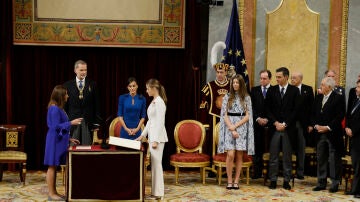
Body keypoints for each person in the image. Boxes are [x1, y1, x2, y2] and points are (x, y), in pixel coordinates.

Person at [44, 85, 81, 200]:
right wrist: (71, 123)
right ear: (60, 95)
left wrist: (69, 139)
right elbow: (55, 127)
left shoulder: (58, 108)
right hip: (53, 141)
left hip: (57, 139)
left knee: (54, 166)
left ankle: (54, 192)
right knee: (52, 166)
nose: (68, 96)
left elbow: (58, 127)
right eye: (66, 94)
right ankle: (51, 193)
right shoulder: (54, 108)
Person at [265, 67, 300, 190]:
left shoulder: (294, 91)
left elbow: (296, 111)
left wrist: (285, 124)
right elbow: (267, 109)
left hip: (287, 129)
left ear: (286, 77)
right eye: (276, 77)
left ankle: (286, 180)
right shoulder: (272, 90)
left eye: (279, 77)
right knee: (273, 156)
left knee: (287, 157)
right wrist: (275, 123)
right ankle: (273, 180)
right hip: (274, 128)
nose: (277, 79)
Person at [218, 74, 254, 190]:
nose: (235, 84)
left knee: (239, 155)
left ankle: (236, 181)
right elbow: (224, 114)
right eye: (233, 83)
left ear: (241, 84)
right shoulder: (227, 97)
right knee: (230, 154)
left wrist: (236, 127)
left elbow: (248, 115)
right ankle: (229, 180)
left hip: (241, 127)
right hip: (229, 128)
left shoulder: (246, 97)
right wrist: (231, 128)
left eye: (237, 82)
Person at [309, 77, 345, 193]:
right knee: (321, 158)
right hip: (319, 133)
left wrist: (327, 127)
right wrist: (316, 126)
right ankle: (321, 182)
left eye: (323, 85)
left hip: (332, 134)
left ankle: (334, 183)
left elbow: (339, 116)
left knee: (333, 159)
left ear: (329, 87)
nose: (320, 86)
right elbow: (313, 114)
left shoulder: (338, 98)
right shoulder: (318, 97)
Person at [135, 78, 168, 200]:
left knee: (157, 165)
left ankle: (159, 192)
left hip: (158, 138)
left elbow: (160, 122)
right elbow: (150, 122)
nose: (146, 90)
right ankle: (155, 191)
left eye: (148, 88)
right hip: (153, 136)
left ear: (154, 88)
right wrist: (142, 135)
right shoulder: (154, 101)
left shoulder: (159, 102)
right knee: (154, 165)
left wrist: (156, 140)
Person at [63, 60, 101, 145]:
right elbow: (65, 106)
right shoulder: (67, 85)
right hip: (73, 121)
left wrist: (96, 123)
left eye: (85, 70)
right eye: (81, 70)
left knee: (86, 150)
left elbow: (97, 105)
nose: (84, 72)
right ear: (75, 70)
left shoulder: (92, 84)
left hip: (88, 122)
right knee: (73, 148)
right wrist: (66, 123)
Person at [290, 71, 314, 179]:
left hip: (302, 124)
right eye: (291, 78)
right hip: (290, 123)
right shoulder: (289, 89)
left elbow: (312, 108)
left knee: (301, 148)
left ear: (300, 79)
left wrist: (310, 124)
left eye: (294, 78)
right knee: (289, 147)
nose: (292, 80)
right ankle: (289, 171)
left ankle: (300, 172)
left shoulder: (308, 89)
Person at [250, 69, 272, 179]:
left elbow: (276, 108)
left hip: (270, 125)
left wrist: (268, 119)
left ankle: (268, 174)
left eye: (264, 78)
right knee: (257, 149)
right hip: (257, 125)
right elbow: (250, 107)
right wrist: (258, 118)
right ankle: (257, 172)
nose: (262, 80)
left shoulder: (275, 90)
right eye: (261, 78)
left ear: (269, 79)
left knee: (270, 149)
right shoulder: (254, 90)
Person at [345, 79, 360, 198]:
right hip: (354, 139)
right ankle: (354, 189)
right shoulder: (356, 100)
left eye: (359, 87)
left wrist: (353, 130)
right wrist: (347, 127)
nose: (356, 89)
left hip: (358, 137)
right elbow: (350, 116)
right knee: (356, 165)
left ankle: (358, 190)